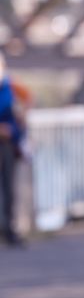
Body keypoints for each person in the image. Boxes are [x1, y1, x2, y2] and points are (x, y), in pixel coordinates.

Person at [0, 49, 28, 248]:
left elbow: (27, 98)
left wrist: (21, 117)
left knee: (10, 188)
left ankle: (10, 229)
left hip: (10, 143)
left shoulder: (10, 84)